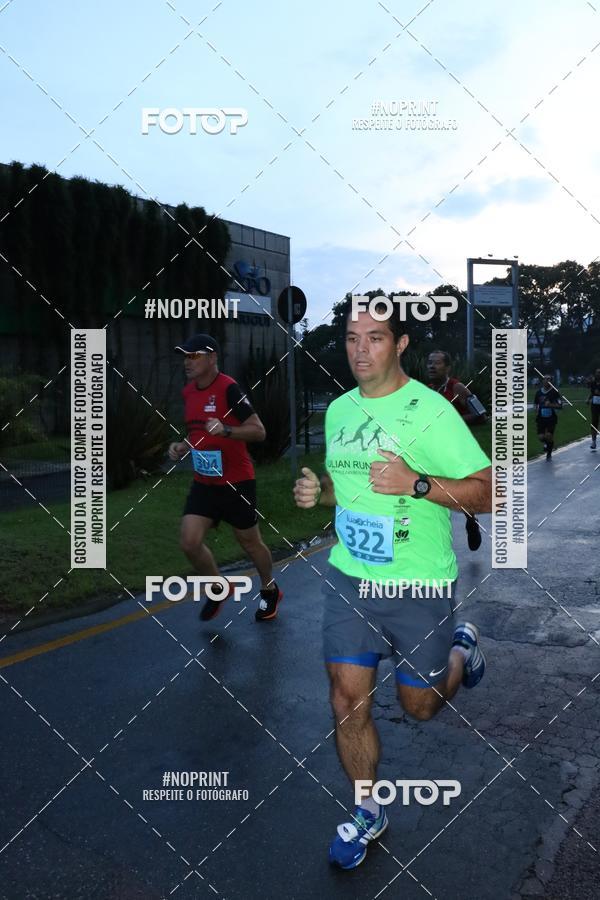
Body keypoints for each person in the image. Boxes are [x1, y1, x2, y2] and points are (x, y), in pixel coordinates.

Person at [293, 302, 492, 870]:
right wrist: (321, 494)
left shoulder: (430, 412)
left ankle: (462, 648)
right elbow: (351, 487)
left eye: (374, 339)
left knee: (420, 706)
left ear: (400, 344)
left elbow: (491, 491)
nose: (359, 350)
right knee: (345, 698)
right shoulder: (338, 410)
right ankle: (367, 810)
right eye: (352, 338)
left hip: (418, 583)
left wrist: (418, 483)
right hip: (351, 576)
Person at [169, 333, 282, 622]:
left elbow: (259, 431)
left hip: (236, 481)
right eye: (186, 356)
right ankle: (218, 587)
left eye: (194, 356)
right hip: (204, 482)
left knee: (250, 542)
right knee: (189, 542)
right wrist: (183, 446)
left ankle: (270, 589)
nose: (187, 361)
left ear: (212, 358)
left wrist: (228, 430)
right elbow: (198, 431)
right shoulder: (188, 392)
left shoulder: (229, 389)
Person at [427, 349, 486, 551]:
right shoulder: (427, 391)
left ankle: (471, 520)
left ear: (448, 367)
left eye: (436, 363)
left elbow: (481, 414)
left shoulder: (457, 387)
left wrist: (455, 420)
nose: (431, 366)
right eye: (429, 363)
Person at [533, 374, 562, 461]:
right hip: (541, 418)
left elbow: (560, 405)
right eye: (545, 379)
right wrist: (536, 410)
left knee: (549, 435)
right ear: (542, 381)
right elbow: (535, 403)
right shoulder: (538, 392)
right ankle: (549, 444)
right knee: (541, 437)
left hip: (551, 418)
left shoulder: (555, 392)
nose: (547, 381)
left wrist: (551, 405)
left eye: (549, 379)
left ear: (551, 381)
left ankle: (548, 454)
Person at [586, 368, 600, 450]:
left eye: (599, 373)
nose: (598, 374)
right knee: (594, 422)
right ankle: (593, 442)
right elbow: (592, 392)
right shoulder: (593, 383)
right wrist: (588, 399)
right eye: (597, 373)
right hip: (594, 405)